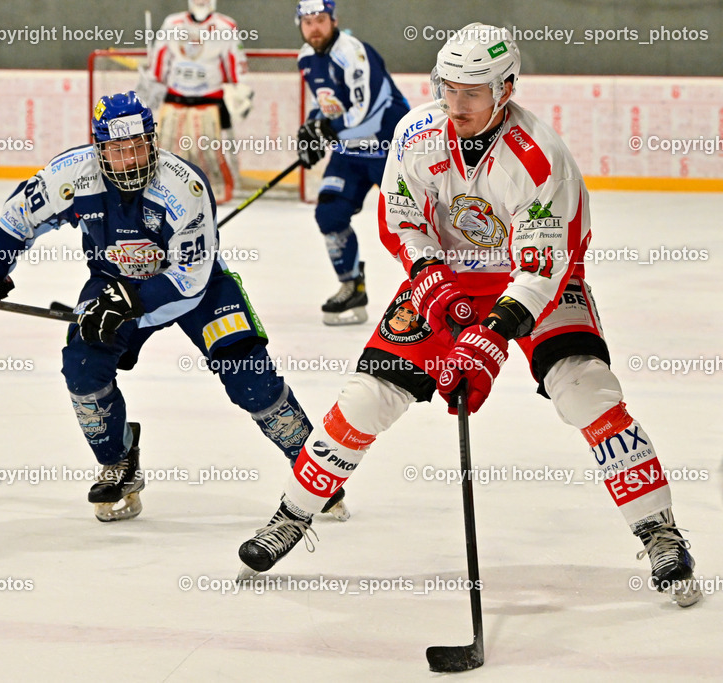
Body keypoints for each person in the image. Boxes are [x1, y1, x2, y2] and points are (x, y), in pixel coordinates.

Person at [237, 24, 701, 607]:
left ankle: (658, 528)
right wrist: (430, 278)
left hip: (536, 283)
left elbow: (542, 266)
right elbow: (401, 216)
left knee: (587, 390)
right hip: (447, 276)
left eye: (472, 92)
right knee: (365, 398)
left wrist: (491, 336)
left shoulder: (539, 157)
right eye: (448, 87)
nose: (456, 104)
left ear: (505, 90)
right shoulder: (417, 133)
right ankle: (293, 514)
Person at [0, 91, 346, 523]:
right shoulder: (71, 175)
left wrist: (130, 302)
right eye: (117, 149)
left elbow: (191, 276)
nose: (131, 159)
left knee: (250, 377)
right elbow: (18, 217)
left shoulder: (184, 186)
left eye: (138, 145)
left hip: (194, 288)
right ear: (100, 150)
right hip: (113, 280)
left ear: (153, 141)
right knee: (82, 366)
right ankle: (119, 460)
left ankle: (315, 473)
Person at [294, 0, 410, 325]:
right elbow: (328, 106)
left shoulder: (352, 51)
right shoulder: (305, 58)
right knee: (329, 213)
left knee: (411, 224)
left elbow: (369, 110)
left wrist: (327, 129)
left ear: (334, 20)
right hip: (350, 151)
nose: (314, 27)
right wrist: (311, 130)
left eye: (320, 19)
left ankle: (434, 289)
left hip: (390, 149)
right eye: (308, 21)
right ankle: (352, 285)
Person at [143, 0, 252, 202]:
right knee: (166, 151)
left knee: (213, 155)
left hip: (211, 102)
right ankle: (166, 189)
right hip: (175, 99)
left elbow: (237, 63)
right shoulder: (172, 23)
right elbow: (159, 63)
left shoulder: (225, 26)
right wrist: (152, 83)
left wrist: (241, 92)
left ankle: (221, 190)